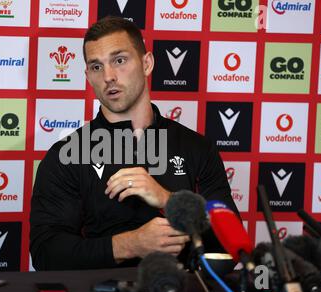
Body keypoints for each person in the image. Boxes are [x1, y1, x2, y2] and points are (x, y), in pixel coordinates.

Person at [30, 16, 239, 270]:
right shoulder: (65, 156)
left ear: (146, 63)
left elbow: (233, 248)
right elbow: (46, 255)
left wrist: (169, 201)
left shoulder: (197, 148)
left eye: (119, 61)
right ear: (88, 76)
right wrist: (131, 244)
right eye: (96, 67)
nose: (108, 76)